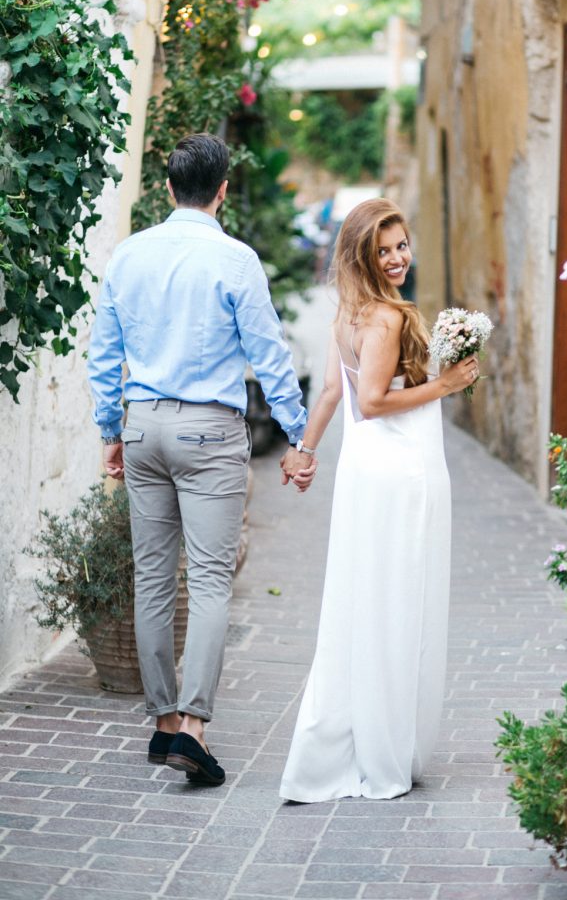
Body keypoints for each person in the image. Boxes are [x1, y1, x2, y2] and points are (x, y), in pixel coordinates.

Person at [87, 133, 314, 787]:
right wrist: (298, 435)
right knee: (210, 581)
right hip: (210, 431)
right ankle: (193, 729)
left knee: (153, 578)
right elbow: (268, 353)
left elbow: (103, 355)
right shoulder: (235, 260)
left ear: (167, 189)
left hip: (141, 425)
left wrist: (111, 429)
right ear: (222, 191)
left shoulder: (129, 255)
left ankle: (162, 725)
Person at [279, 198, 478, 802]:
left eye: (401, 246)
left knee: (362, 600)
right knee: (396, 604)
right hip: (400, 469)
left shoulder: (349, 313)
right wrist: (444, 383)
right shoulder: (386, 318)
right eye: (383, 249)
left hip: (366, 470)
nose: (396, 258)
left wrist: (305, 449)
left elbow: (334, 391)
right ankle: (384, 749)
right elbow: (370, 400)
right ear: (363, 254)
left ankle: (356, 736)